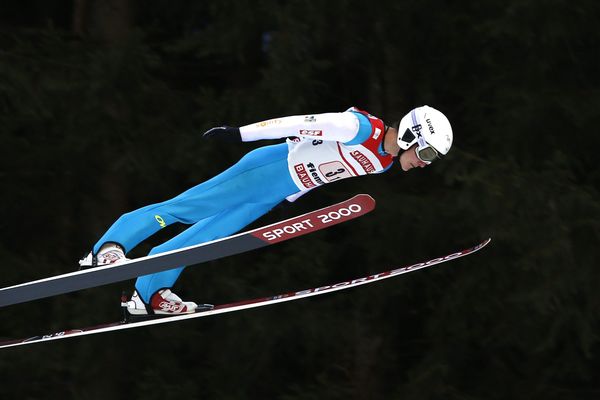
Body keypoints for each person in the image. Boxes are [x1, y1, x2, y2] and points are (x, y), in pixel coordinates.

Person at [79, 105, 453, 317]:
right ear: (410, 135)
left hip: (279, 189)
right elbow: (298, 123)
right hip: (268, 168)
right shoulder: (359, 127)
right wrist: (241, 133)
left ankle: (149, 292)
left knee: (207, 238)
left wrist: (293, 195)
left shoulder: (384, 162)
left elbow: (327, 169)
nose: (424, 163)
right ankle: (109, 245)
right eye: (426, 153)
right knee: (187, 209)